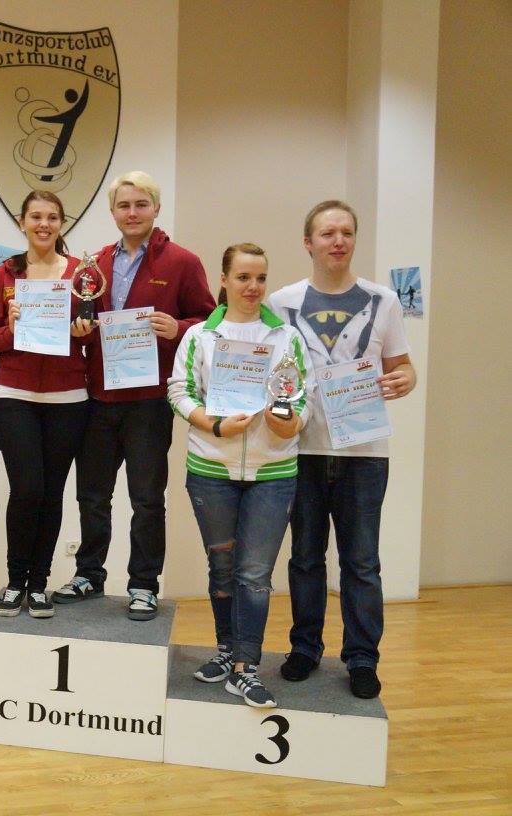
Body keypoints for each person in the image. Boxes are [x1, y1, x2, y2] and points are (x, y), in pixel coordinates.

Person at [268, 200, 416, 699]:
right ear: (307, 243)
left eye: (346, 232)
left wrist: (405, 379)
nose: (338, 241)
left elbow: (403, 366)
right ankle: (305, 648)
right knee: (305, 558)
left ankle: (362, 658)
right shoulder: (282, 302)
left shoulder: (384, 300)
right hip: (303, 449)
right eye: (328, 233)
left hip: (365, 452)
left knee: (361, 563)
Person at [58, 171, 215, 621]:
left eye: (141, 204)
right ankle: (89, 574)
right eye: (124, 205)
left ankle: (144, 583)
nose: (132, 213)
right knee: (92, 495)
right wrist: (79, 329)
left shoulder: (182, 261)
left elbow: (209, 321)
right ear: (112, 212)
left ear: (156, 209)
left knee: (147, 499)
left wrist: (179, 327)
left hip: (149, 400)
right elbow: (82, 316)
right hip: (98, 396)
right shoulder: (94, 264)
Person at [167, 243, 313, 708]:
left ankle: (246, 667)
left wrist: (289, 423)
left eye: (260, 278)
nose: (253, 287)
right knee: (223, 568)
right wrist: (214, 424)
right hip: (211, 469)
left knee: (254, 573)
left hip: (273, 471)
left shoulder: (286, 338)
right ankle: (227, 651)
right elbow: (180, 391)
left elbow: (302, 398)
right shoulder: (200, 336)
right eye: (244, 277)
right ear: (224, 280)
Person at [0, 191, 91, 619]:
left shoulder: (82, 273)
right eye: (36, 216)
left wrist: (84, 332)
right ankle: (15, 582)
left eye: (52, 217)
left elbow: (94, 329)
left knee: (52, 491)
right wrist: (11, 330)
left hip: (68, 397)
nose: (44, 224)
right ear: (22, 221)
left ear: (62, 223)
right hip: (15, 395)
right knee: (26, 489)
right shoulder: (2, 275)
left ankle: (39, 583)